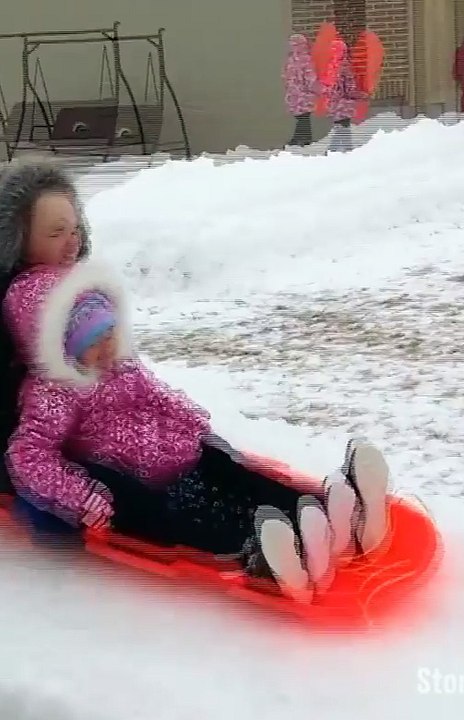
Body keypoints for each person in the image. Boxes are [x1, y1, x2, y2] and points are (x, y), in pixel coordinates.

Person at [0, 158, 391, 604]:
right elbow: (28, 456)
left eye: (75, 229)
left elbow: (150, 390)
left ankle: (332, 513)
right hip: (137, 480)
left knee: (229, 473)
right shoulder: (52, 389)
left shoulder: (114, 359)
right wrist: (83, 495)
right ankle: (268, 552)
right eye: (56, 233)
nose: (71, 242)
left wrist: (190, 421)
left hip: (174, 451)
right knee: (195, 516)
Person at [325, 38, 366, 153]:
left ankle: (338, 150)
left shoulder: (330, 66)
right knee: (343, 127)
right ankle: (342, 150)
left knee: (340, 127)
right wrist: (361, 95)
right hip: (343, 104)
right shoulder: (344, 67)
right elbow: (349, 88)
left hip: (332, 103)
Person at [283, 33, 322, 147]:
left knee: (301, 117)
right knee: (304, 117)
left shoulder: (290, 60)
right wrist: (319, 90)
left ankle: (299, 139)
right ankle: (303, 140)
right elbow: (310, 78)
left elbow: (285, 77)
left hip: (293, 94)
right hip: (305, 94)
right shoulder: (306, 60)